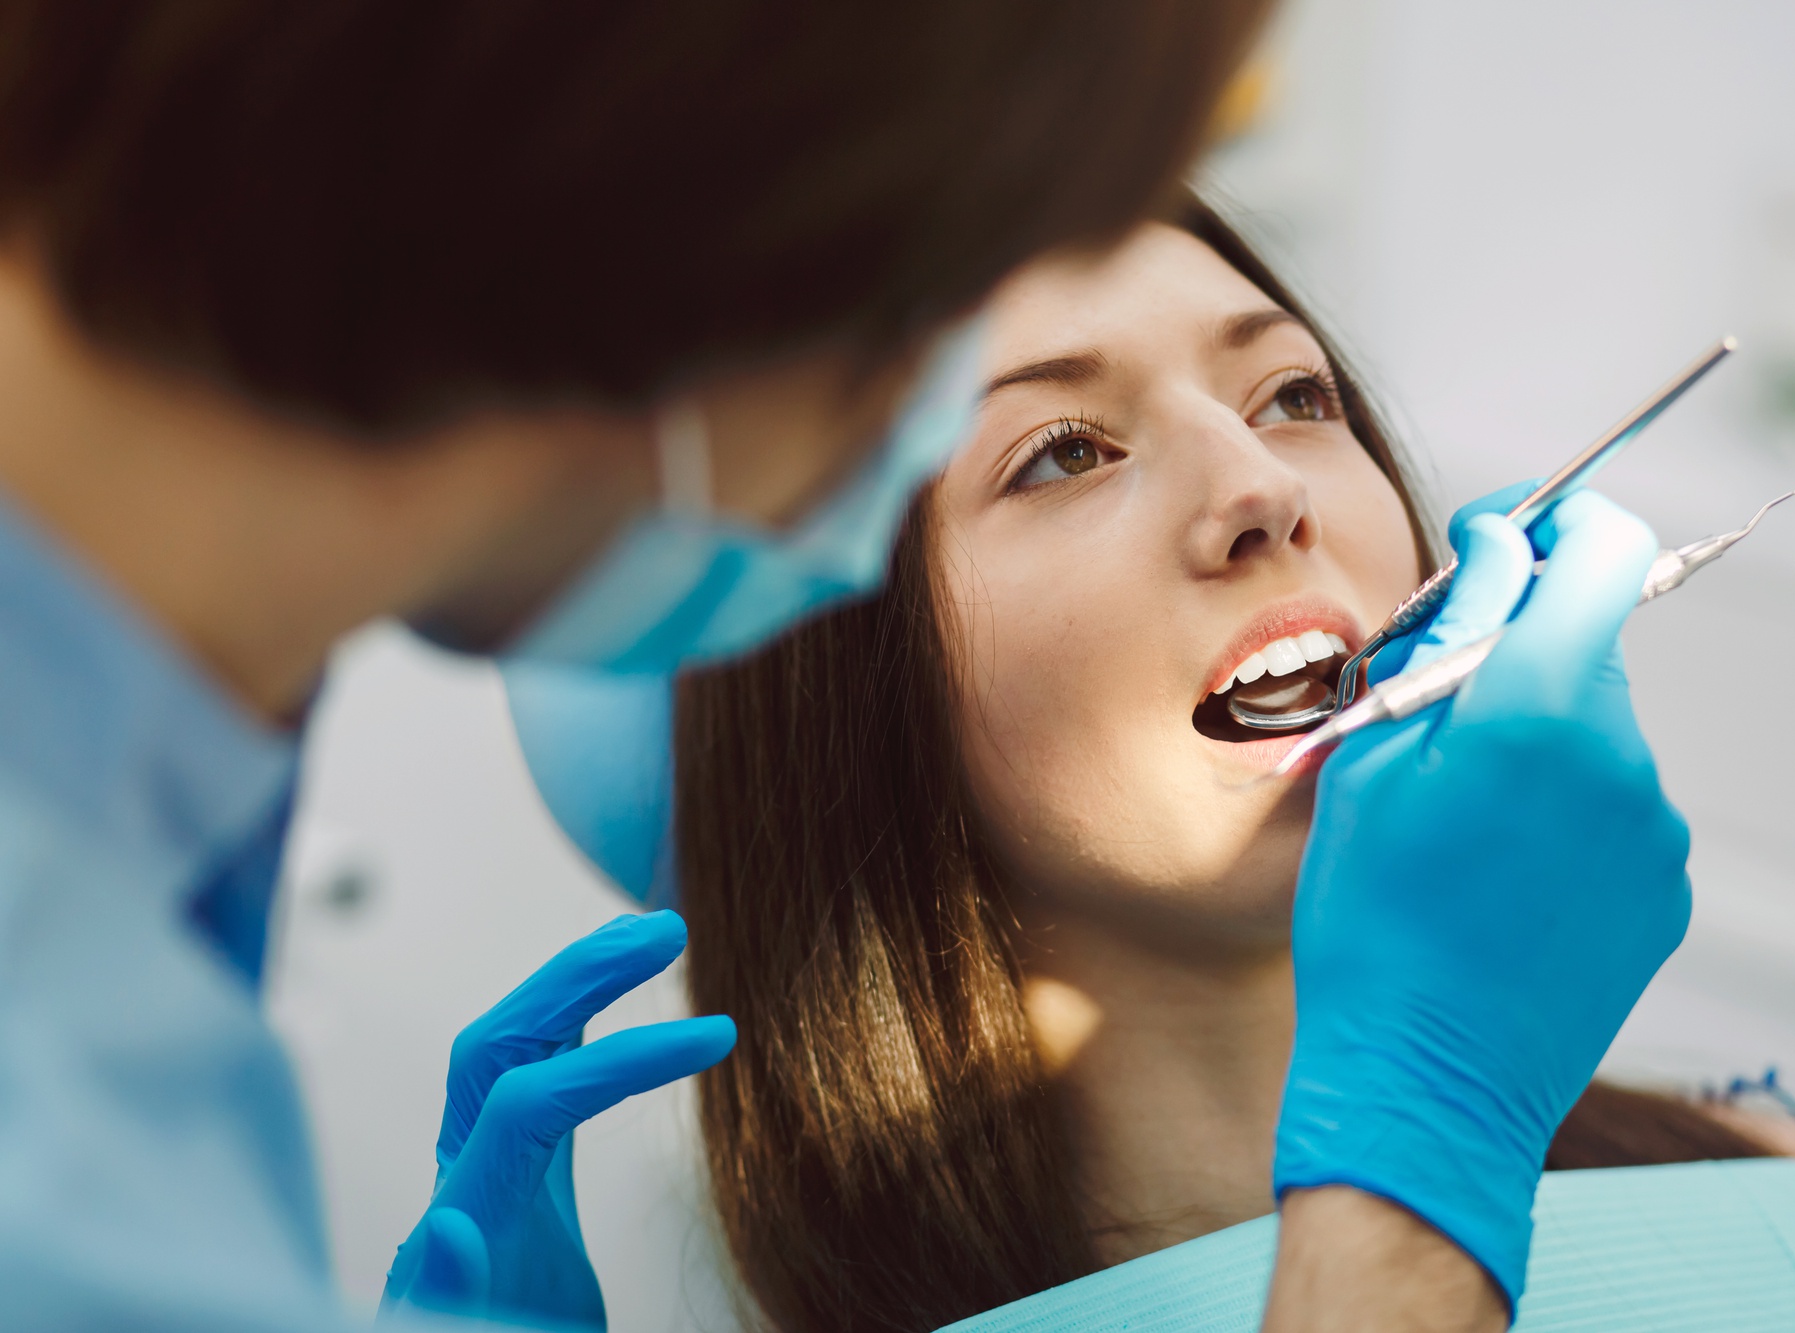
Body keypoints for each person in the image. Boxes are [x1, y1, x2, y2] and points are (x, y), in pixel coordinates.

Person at [0, 3, 1275, 1328]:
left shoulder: (153, 807)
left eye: (1300, 394)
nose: (1261, 491)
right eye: (939, 339)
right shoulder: (55, 1152)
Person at [501, 198, 1699, 1332]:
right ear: (845, 717)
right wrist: (1433, 1139)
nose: (1261, 485)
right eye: (1063, 453)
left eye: (1290, 393)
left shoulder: (1751, 1154)